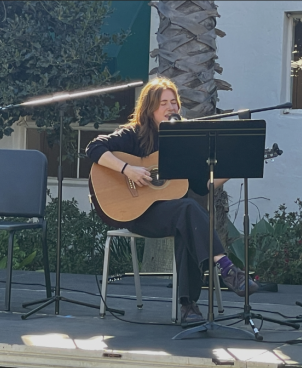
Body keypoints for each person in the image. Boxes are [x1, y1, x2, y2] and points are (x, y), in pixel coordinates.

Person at [86, 77, 258, 325]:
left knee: (186, 218)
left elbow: (202, 185)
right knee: (188, 210)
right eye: (163, 103)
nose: (171, 107)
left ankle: (189, 306)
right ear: (150, 109)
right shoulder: (133, 135)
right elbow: (95, 147)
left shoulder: (184, 140)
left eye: (174, 102)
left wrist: (237, 166)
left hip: (172, 214)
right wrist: (128, 170)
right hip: (136, 213)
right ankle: (226, 268)